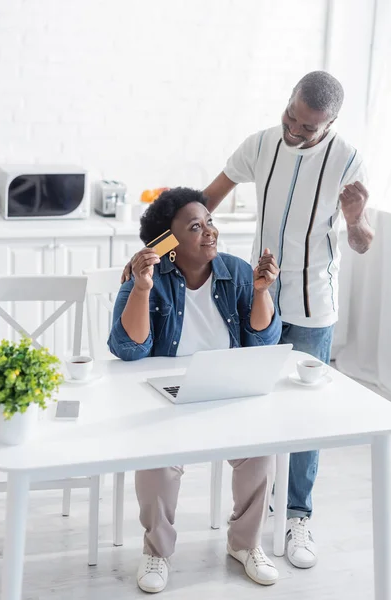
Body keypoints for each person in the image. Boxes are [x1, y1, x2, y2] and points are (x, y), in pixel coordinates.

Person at [121, 71, 375, 570]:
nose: (294, 131)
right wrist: (154, 251)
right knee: (255, 415)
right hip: (255, 301)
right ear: (289, 103)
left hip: (311, 307)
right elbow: (203, 205)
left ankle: (298, 516)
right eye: (291, 117)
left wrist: (354, 218)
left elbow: (363, 242)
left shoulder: (349, 160)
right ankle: (244, 532)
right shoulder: (261, 145)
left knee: (305, 419)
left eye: (306, 127)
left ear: (330, 123)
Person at [109, 187, 282, 593]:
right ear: (168, 244)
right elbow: (127, 350)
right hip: (165, 398)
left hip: (226, 392)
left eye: (209, 222)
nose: (209, 232)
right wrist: (141, 288)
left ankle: (245, 544)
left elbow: (262, 341)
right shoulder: (148, 277)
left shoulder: (237, 273)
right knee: (157, 462)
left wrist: (261, 292)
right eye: (195, 227)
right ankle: (157, 550)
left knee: (260, 452)